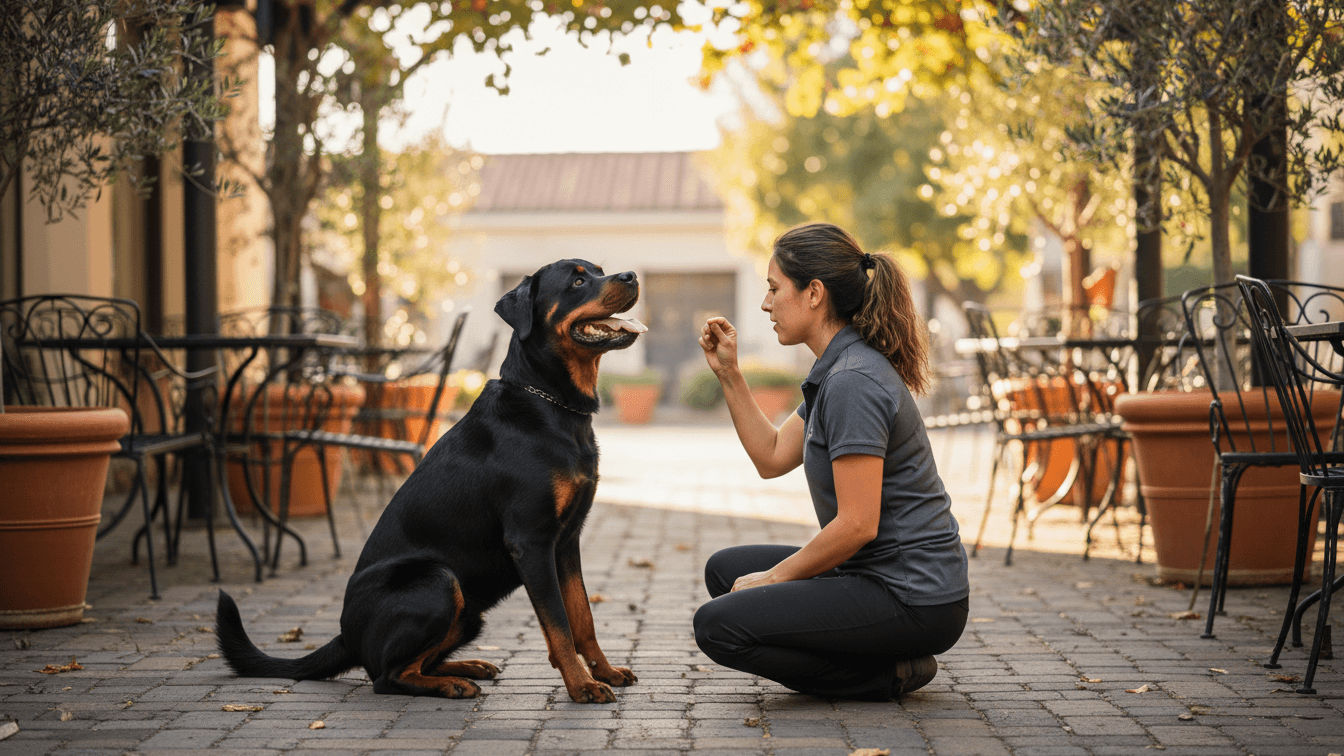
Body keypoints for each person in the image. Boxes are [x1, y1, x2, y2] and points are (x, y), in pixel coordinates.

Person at [692, 222, 969, 701]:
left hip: (915, 596)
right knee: (726, 571)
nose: (766, 304)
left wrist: (775, 578)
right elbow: (774, 456)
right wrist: (730, 375)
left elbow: (858, 525)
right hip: (872, 575)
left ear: (814, 293)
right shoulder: (837, 369)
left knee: (718, 626)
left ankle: (888, 673)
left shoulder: (851, 382)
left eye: (775, 289)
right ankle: (868, 651)